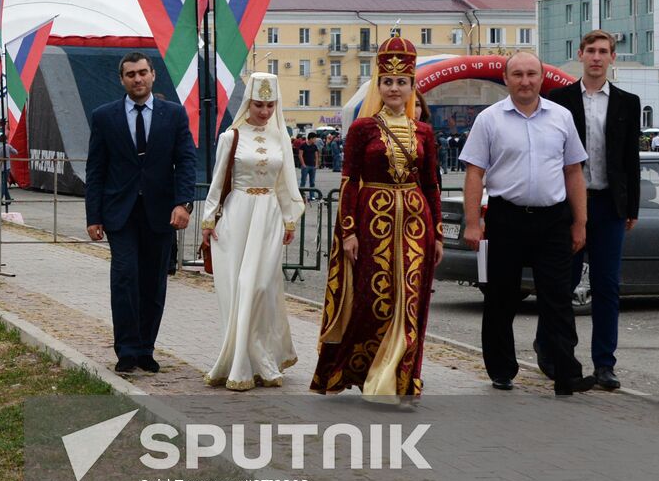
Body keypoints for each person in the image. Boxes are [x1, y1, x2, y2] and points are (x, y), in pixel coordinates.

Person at [311, 35, 442, 398]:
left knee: (410, 299)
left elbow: (431, 184)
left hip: (416, 223)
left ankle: (399, 377)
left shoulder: (425, 133)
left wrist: (439, 234)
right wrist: (348, 231)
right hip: (372, 223)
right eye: (387, 81)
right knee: (373, 300)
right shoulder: (362, 129)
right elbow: (350, 182)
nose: (394, 88)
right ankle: (364, 370)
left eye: (402, 82)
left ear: (412, 85)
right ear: (378, 85)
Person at [459, 50, 596, 395]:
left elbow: (573, 171)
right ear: (506, 80)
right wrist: (473, 223)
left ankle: (566, 374)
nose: (525, 81)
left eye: (531, 74)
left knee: (558, 299)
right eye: (517, 74)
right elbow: (475, 173)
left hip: (553, 221)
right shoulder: (489, 120)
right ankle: (502, 370)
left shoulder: (561, 117)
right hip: (506, 218)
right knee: (501, 298)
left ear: (540, 78)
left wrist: (580, 222)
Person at [84, 52, 196, 374]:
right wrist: (94, 216)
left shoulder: (173, 115)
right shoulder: (104, 116)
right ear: (122, 79)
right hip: (120, 213)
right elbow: (96, 168)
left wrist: (183, 203)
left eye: (143, 72)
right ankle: (127, 350)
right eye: (131, 74)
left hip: (161, 213)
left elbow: (186, 161)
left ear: (153, 75)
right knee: (124, 278)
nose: (138, 79)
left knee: (153, 283)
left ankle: (146, 348)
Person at [541, 30, 639, 391]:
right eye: (590, 51)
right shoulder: (559, 100)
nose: (596, 57)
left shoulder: (628, 102)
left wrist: (632, 207)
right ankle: (552, 352)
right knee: (559, 283)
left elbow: (630, 158)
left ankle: (605, 364)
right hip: (567, 206)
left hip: (609, 204)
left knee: (607, 286)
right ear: (580, 55)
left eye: (603, 51)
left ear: (612, 57)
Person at [200, 73, 305, 390]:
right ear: (248, 102)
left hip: (269, 217)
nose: (264, 111)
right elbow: (218, 181)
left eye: (270, 105)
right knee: (238, 289)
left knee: (260, 287)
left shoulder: (280, 137)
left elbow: (285, 182)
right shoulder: (231, 137)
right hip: (237, 215)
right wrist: (208, 220)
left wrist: (290, 218)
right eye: (258, 104)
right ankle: (241, 363)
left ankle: (262, 358)